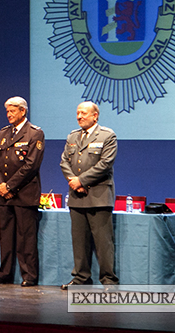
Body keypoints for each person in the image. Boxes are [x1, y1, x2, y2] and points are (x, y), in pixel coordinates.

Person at [60, 101, 119, 289]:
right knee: (79, 243)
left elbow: (105, 164)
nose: (79, 116)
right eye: (77, 113)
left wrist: (81, 181)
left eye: (83, 113)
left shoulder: (107, 135)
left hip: (99, 196)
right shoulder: (73, 136)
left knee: (103, 244)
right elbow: (64, 162)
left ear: (95, 116)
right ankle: (81, 278)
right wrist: (74, 181)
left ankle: (108, 280)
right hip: (77, 197)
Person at [0, 97, 45, 287]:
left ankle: (29, 276)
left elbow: (31, 165)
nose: (9, 115)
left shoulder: (35, 133)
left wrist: (10, 186)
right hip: (4, 195)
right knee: (6, 237)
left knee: (25, 238)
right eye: (7, 111)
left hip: (24, 194)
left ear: (22, 111)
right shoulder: (3, 133)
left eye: (12, 111)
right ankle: (4, 274)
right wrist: (0, 186)